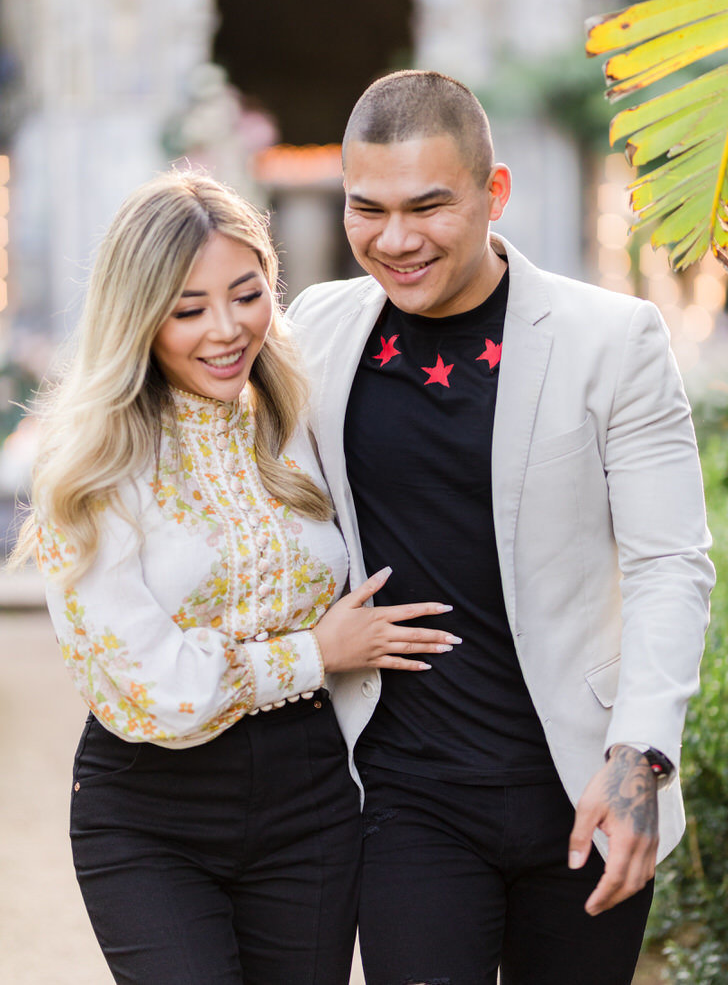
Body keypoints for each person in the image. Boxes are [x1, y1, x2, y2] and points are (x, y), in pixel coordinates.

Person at [286, 70, 715, 985]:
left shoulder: (616, 339)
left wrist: (641, 756)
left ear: (495, 192)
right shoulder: (316, 327)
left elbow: (671, 563)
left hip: (584, 791)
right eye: (368, 209)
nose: (395, 241)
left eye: (429, 206)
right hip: (404, 795)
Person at [12, 170, 457, 985]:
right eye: (188, 309)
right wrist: (316, 651)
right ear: (138, 317)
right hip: (151, 811)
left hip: (312, 800)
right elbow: (157, 688)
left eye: (247, 294)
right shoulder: (92, 466)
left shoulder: (299, 419)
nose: (226, 330)